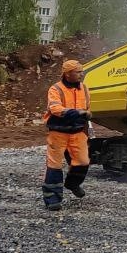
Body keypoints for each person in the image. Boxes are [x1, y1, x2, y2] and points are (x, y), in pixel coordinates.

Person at [41, 59, 91, 211]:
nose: (81, 75)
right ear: (67, 74)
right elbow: (55, 108)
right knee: (54, 165)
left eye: (81, 71)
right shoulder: (56, 89)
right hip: (58, 132)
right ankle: (52, 199)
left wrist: (86, 117)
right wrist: (76, 113)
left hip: (77, 132)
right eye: (78, 72)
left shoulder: (84, 88)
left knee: (82, 162)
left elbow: (87, 106)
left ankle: (72, 184)